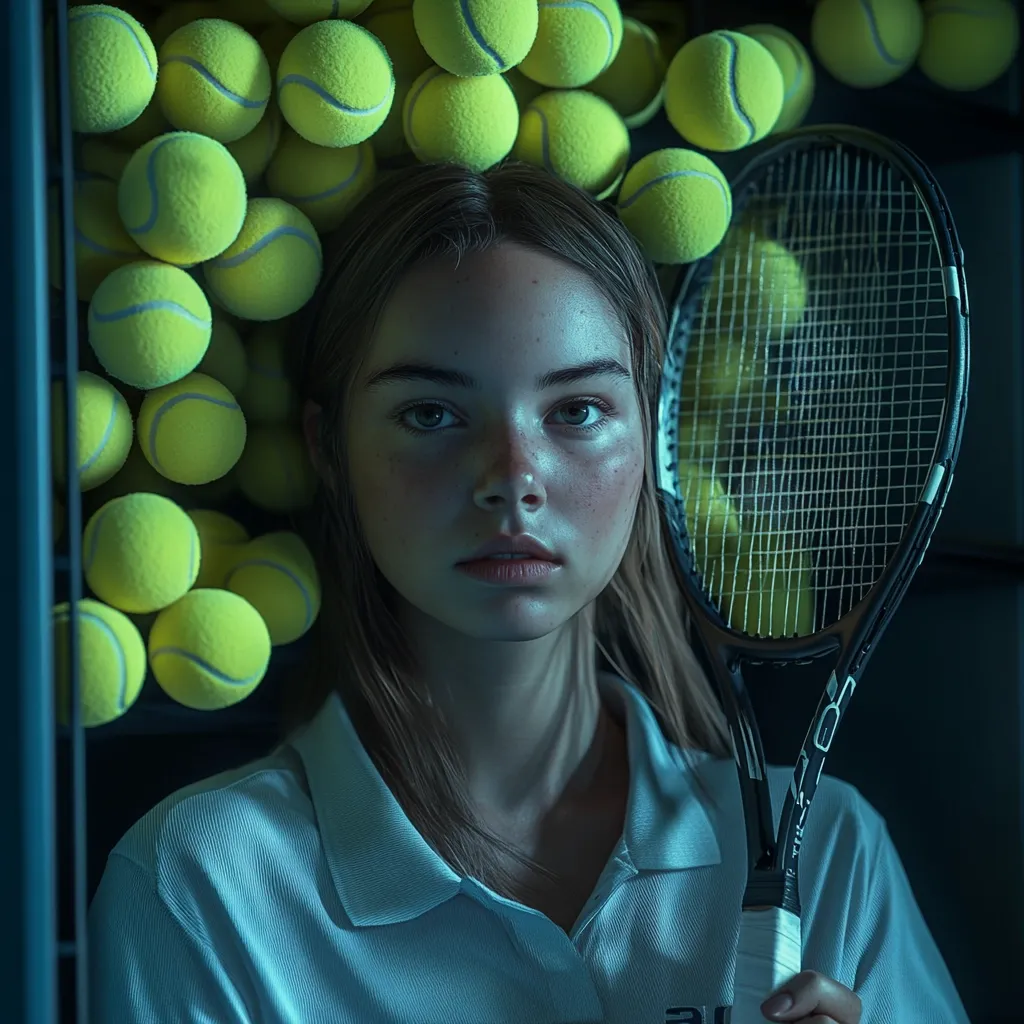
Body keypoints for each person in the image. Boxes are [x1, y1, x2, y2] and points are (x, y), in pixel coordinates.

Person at [88, 161, 969, 1024]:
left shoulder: (834, 854)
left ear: (652, 437)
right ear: (329, 449)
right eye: (431, 414)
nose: (513, 478)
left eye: (577, 410)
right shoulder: (197, 888)